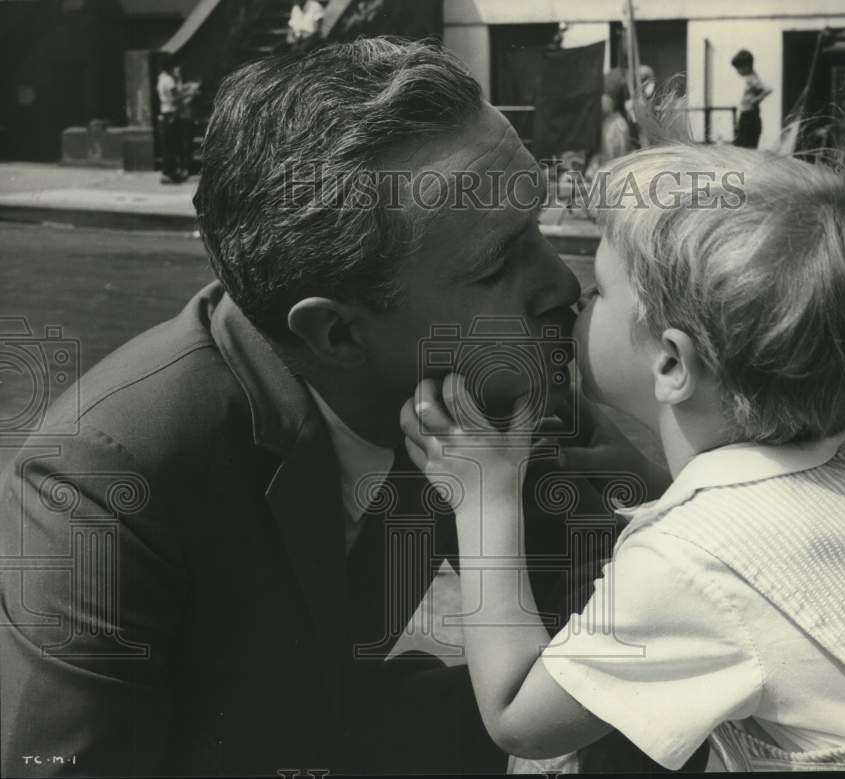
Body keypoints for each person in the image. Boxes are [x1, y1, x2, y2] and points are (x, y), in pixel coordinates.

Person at [0, 39, 666, 777]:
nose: (562, 285)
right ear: (338, 332)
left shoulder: (492, 385)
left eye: (537, 229)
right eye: (497, 264)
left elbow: (632, 664)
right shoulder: (101, 482)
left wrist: (666, 523)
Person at [400, 122, 845, 768]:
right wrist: (660, 485)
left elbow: (520, 715)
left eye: (601, 289)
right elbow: (782, 558)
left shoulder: (687, 567)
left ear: (671, 362)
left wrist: (484, 499)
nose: (573, 297)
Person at [731, 49, 771, 148]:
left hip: (750, 117)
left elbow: (768, 89)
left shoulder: (751, 78)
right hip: (747, 115)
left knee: (745, 146)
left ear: (746, 66)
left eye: (739, 68)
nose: (738, 71)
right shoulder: (751, 77)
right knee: (742, 144)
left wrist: (756, 100)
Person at [155, 56, 184, 183]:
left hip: (165, 112)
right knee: (171, 146)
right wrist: (179, 79)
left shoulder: (161, 79)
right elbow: (176, 97)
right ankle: (168, 173)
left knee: (168, 145)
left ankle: (170, 172)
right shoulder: (169, 81)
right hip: (171, 113)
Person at [173, 65, 200, 178]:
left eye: (180, 72)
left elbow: (195, 92)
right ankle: (182, 167)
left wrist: (190, 93)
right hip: (179, 118)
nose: (179, 75)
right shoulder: (175, 86)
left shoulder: (186, 86)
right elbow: (176, 100)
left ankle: (186, 168)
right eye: (177, 73)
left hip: (187, 118)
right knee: (181, 145)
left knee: (187, 145)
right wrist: (189, 94)